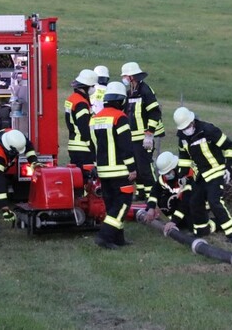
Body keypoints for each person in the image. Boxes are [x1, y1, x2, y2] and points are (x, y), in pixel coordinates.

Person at [173, 107, 232, 242]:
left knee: (214, 202)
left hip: (216, 172)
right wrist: (182, 174)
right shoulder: (182, 137)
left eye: (187, 126)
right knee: (195, 202)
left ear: (192, 121)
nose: (185, 130)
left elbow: (228, 146)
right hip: (201, 176)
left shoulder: (208, 130)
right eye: (183, 128)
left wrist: (229, 167)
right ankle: (201, 231)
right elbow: (184, 157)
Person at [89, 82, 137, 249]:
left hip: (103, 171)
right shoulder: (120, 118)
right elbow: (126, 146)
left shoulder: (94, 118)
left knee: (111, 205)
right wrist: (132, 169)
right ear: (121, 101)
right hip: (120, 171)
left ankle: (118, 238)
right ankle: (105, 236)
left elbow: (93, 146)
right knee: (122, 204)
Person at [120, 62, 162, 201]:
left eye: (125, 76)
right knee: (136, 168)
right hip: (132, 137)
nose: (124, 78)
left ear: (131, 77)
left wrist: (149, 134)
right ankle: (141, 193)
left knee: (145, 168)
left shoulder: (145, 90)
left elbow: (154, 112)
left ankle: (153, 196)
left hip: (143, 137)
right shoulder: (130, 92)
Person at [143, 151, 198, 235]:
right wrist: (151, 208)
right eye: (165, 173)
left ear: (174, 167)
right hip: (181, 202)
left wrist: (174, 221)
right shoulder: (163, 178)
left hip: (195, 203)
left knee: (192, 225)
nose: (167, 176)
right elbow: (154, 192)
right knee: (163, 199)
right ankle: (179, 222)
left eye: (168, 173)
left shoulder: (186, 176)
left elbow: (185, 202)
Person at [64, 69, 98, 170]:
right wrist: (90, 145)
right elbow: (83, 126)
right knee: (87, 178)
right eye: (92, 86)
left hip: (73, 145)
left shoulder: (72, 99)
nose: (93, 89)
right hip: (83, 147)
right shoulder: (81, 103)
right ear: (86, 87)